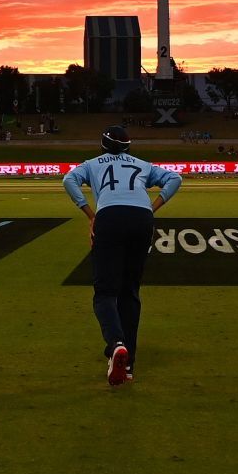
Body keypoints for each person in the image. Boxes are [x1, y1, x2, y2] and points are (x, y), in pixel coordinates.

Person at [62, 125, 182, 387]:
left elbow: (68, 180)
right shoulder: (142, 164)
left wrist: (90, 214)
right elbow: (175, 179)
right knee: (130, 290)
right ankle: (128, 365)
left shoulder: (93, 163)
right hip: (141, 218)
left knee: (105, 292)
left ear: (102, 145)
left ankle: (116, 344)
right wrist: (151, 208)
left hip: (109, 216)